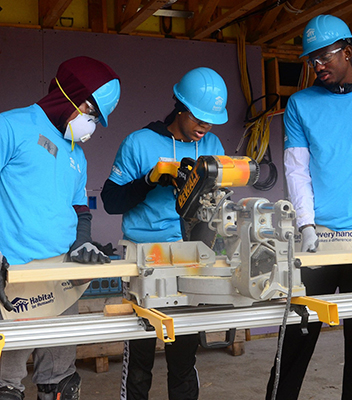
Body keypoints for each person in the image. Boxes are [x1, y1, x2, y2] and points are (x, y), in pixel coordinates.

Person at [265, 14, 352, 400]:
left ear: (348, 50)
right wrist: (305, 224)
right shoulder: (300, 104)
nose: (318, 67)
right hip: (318, 237)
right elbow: (297, 169)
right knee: (294, 336)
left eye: (324, 57)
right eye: (312, 61)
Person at [101, 67, 228, 400]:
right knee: (141, 355)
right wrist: (149, 180)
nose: (205, 127)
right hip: (145, 257)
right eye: (199, 118)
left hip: (191, 257)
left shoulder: (213, 144)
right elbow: (112, 201)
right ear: (180, 106)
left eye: (211, 120)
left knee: (184, 354)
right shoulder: (140, 142)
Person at [0, 56, 121, 400]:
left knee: (60, 383)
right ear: (69, 94)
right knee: (6, 384)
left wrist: (82, 243)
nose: (91, 123)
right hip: (14, 279)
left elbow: (79, 208)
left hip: (61, 280)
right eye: (91, 111)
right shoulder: (10, 127)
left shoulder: (76, 155)